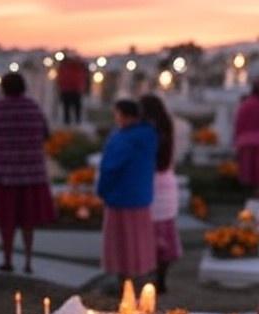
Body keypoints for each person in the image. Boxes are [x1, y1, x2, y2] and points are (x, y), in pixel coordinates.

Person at [0, 73, 56, 273]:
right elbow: (46, 133)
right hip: (31, 172)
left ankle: (7, 259)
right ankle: (28, 261)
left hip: (2, 172)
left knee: (6, 219)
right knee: (28, 220)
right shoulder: (33, 107)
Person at [96, 99, 158, 287]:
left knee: (121, 242)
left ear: (124, 115)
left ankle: (124, 280)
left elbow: (111, 167)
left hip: (120, 195)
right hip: (141, 195)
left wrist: (102, 189)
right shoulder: (149, 135)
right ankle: (139, 273)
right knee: (138, 240)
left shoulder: (122, 138)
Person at [139, 94, 182, 293]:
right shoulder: (167, 127)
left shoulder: (146, 132)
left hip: (150, 185)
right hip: (168, 184)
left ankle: (148, 276)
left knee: (148, 236)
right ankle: (161, 279)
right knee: (165, 236)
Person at [56, 53, 88, 125]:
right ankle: (70, 122)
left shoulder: (77, 66)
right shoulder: (67, 67)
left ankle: (75, 121)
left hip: (73, 90)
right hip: (68, 90)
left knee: (74, 107)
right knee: (68, 107)